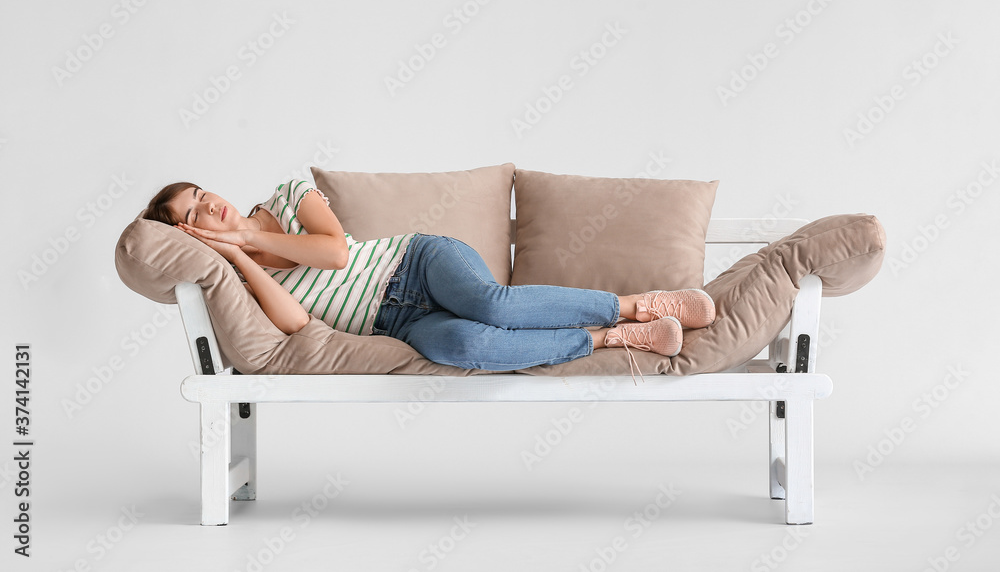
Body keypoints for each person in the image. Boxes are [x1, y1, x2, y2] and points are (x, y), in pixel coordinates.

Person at [143, 178, 716, 380]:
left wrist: (248, 238)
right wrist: (241, 261)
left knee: (490, 306)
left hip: (416, 261)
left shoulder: (289, 196)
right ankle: (608, 339)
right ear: (191, 238)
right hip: (400, 322)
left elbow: (336, 254)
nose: (208, 208)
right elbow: (297, 322)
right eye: (191, 217)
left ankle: (636, 305)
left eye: (201, 194)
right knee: (465, 345)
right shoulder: (241, 287)